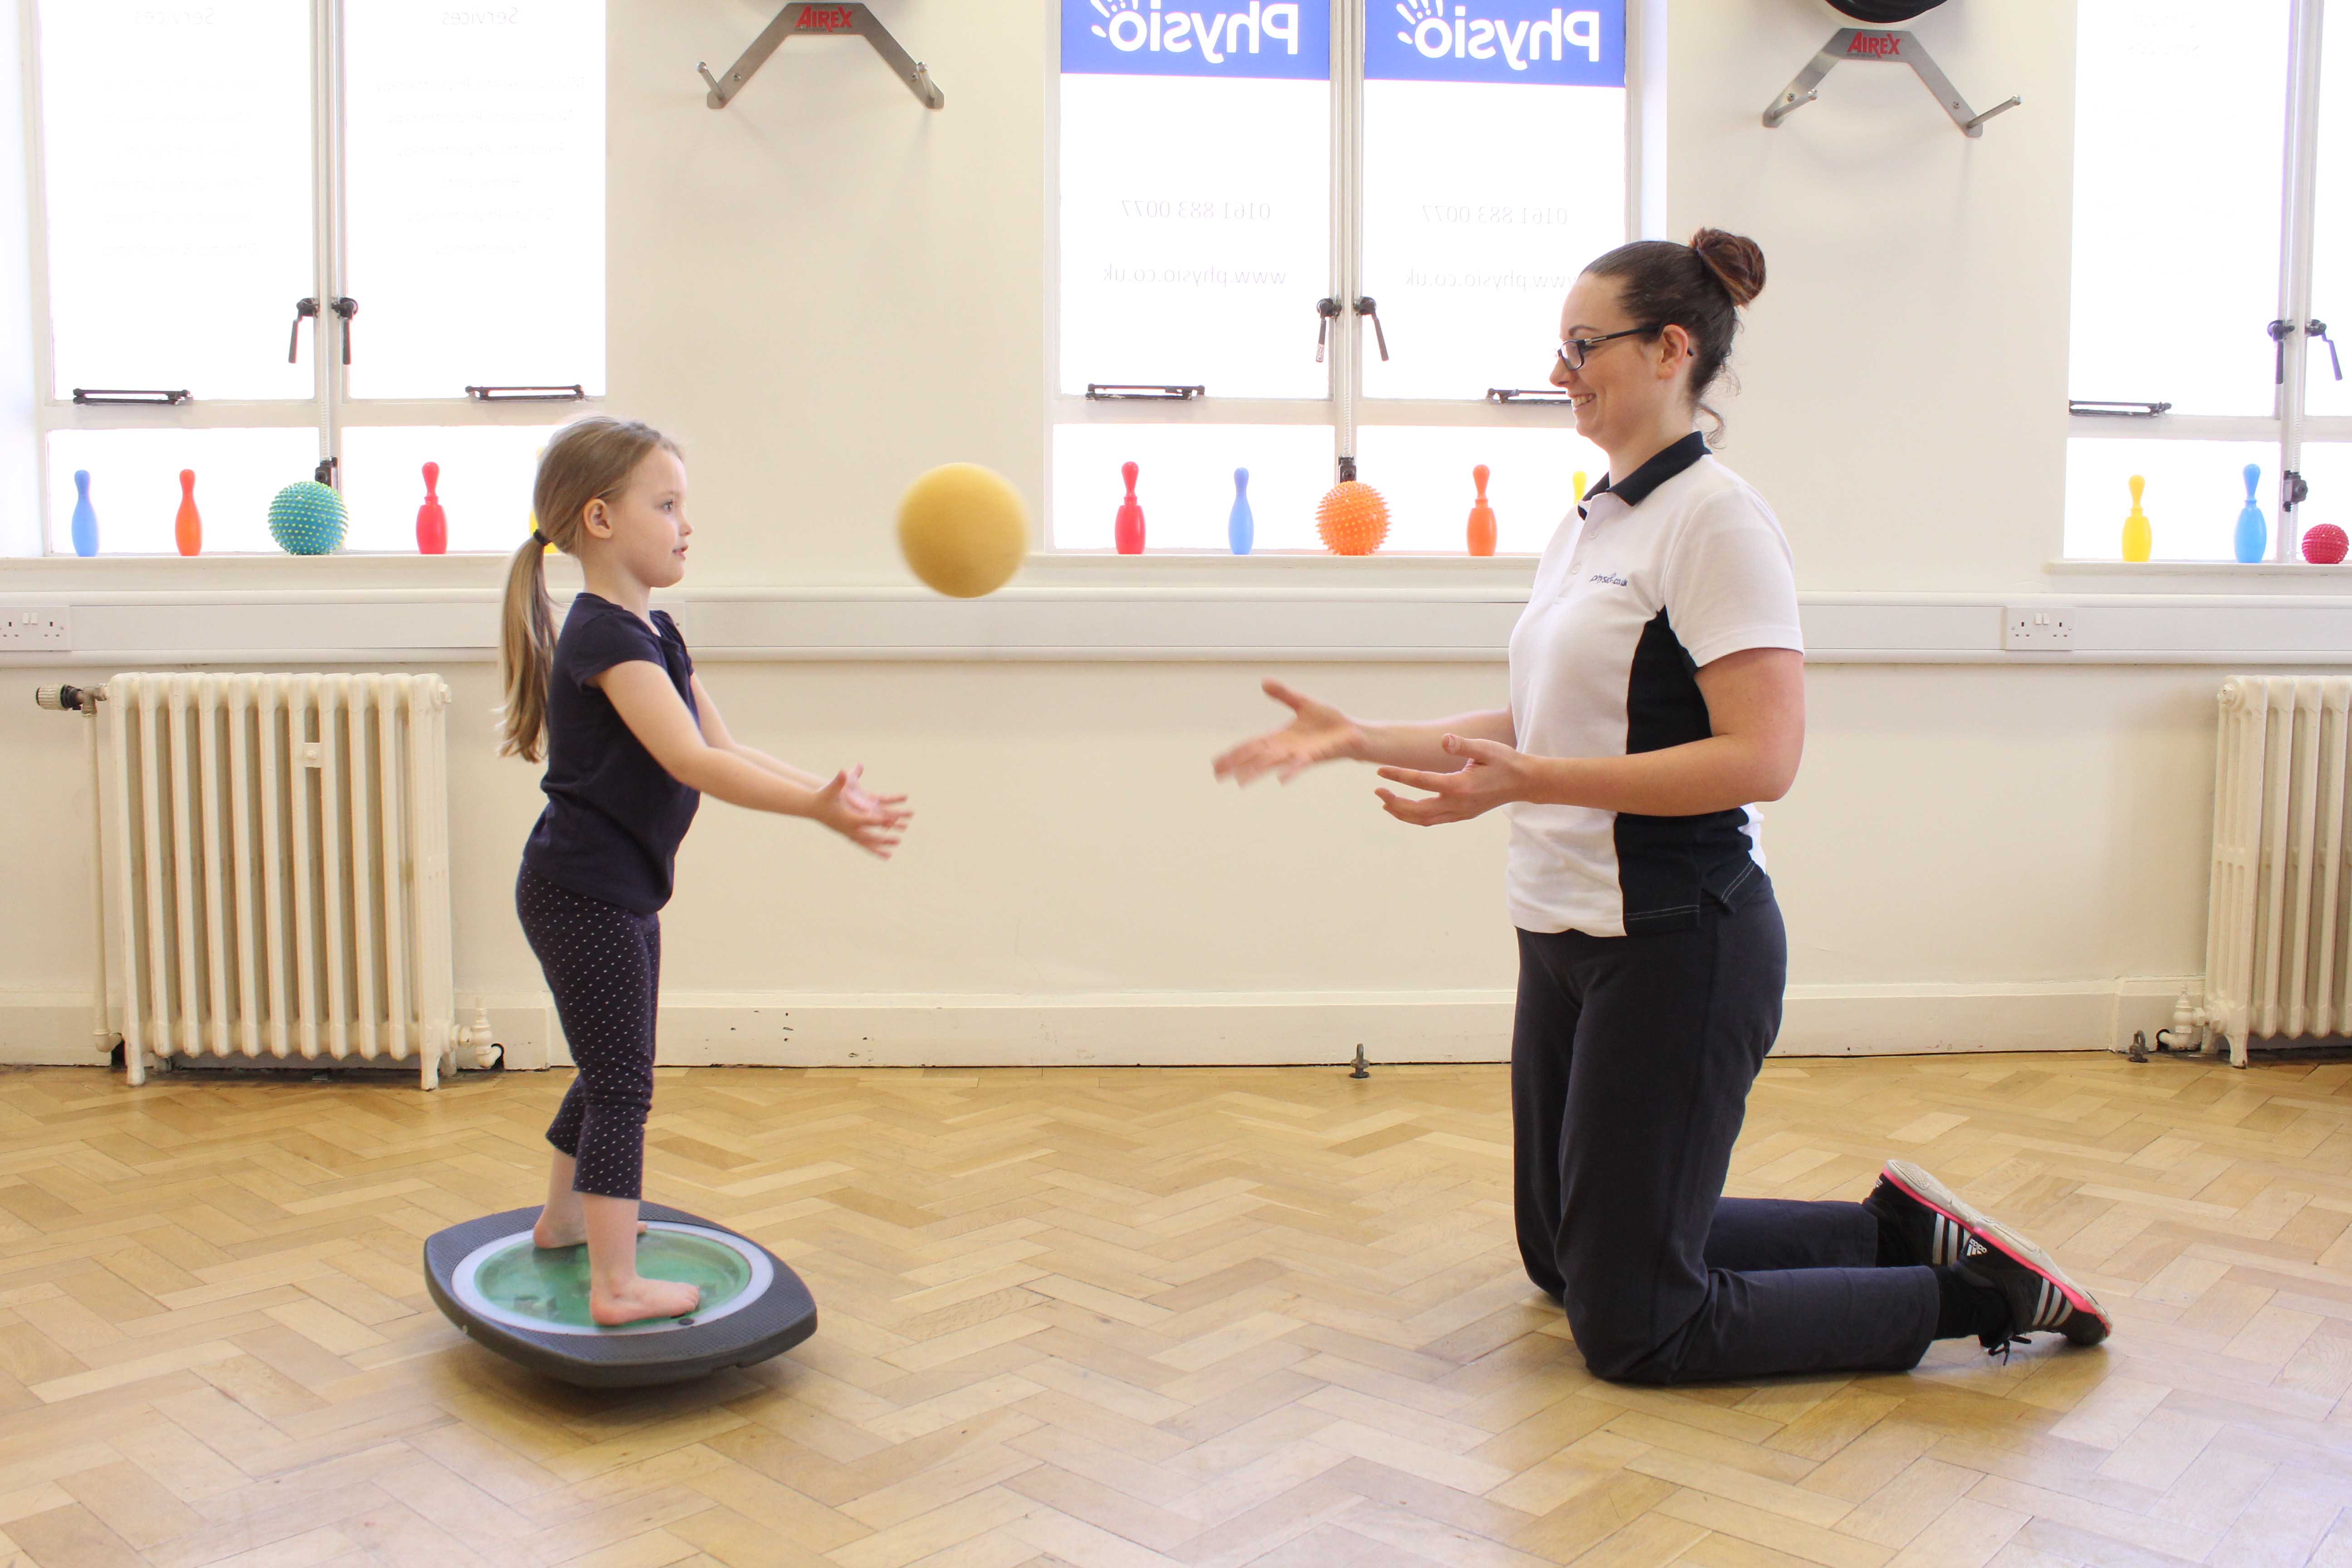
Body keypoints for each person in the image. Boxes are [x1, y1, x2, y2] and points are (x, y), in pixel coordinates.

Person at [1213, 231, 2108, 1382]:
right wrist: (1360, 739)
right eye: (1561, 346)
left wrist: (1535, 783)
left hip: (1681, 936)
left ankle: (1971, 1293)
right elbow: (1552, 723)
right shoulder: (1595, 519)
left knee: (1639, 1327)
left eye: (1585, 346)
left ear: (1671, 348)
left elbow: (1762, 756)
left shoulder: (1717, 522)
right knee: (1559, 1256)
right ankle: (1882, 1233)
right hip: (1566, 929)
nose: (1561, 370)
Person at [496, 415, 911, 1326]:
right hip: (580, 896)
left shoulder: (654, 631)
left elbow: (728, 745)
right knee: (621, 1086)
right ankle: (615, 1287)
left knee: (614, 1064)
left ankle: (563, 1220)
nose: (688, 523)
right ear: (601, 521)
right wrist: (816, 809)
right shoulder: (604, 641)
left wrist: (830, 799)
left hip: (616, 892)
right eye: (669, 504)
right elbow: (690, 762)